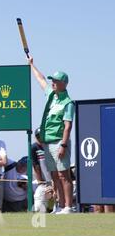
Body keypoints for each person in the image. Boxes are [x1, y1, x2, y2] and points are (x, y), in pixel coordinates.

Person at [28, 56, 75, 214]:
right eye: (52, 80)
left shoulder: (67, 102)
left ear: (63, 84)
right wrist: (32, 65)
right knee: (54, 175)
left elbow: (68, 126)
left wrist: (64, 144)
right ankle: (60, 206)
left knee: (64, 175)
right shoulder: (51, 95)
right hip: (48, 143)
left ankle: (69, 206)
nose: (52, 82)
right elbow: (41, 80)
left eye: (55, 80)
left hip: (59, 142)